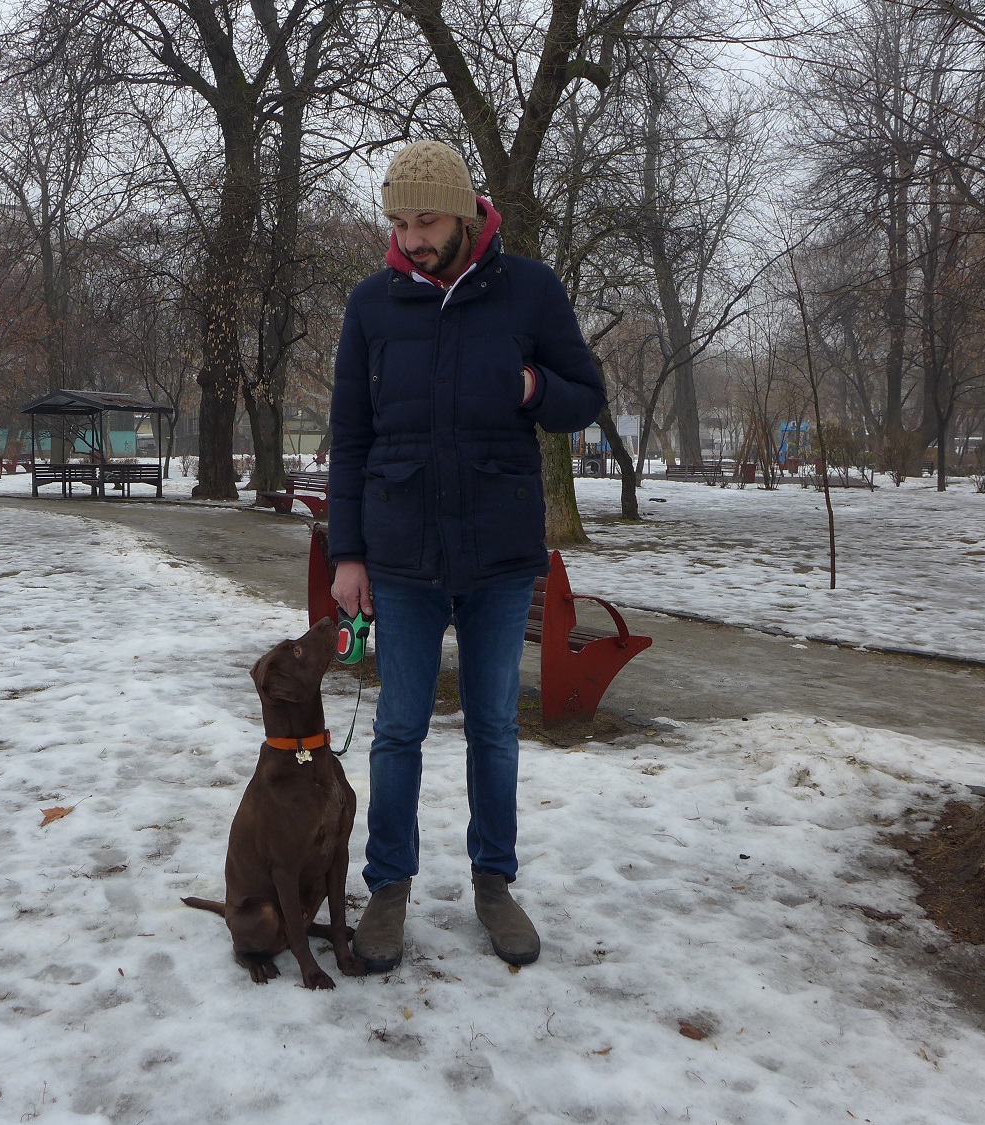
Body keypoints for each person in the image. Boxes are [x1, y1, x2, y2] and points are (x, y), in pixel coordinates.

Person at [327, 140, 605, 970]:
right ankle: (387, 889)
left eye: (427, 220)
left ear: (467, 212)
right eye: (399, 222)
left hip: (499, 552)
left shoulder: (529, 289)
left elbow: (584, 395)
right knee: (399, 730)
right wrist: (348, 553)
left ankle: (493, 882)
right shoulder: (371, 305)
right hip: (402, 554)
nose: (411, 238)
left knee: (492, 728)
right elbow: (351, 437)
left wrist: (530, 389)